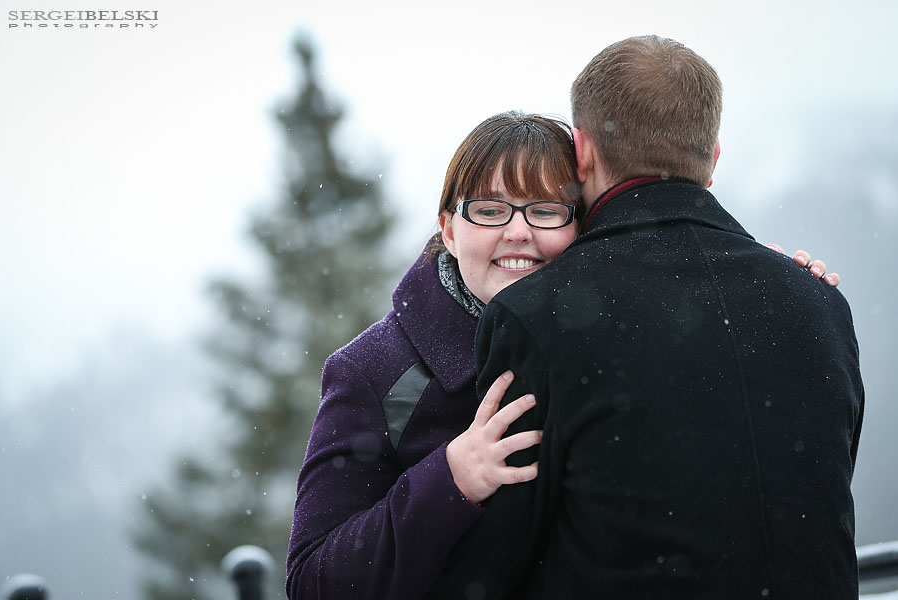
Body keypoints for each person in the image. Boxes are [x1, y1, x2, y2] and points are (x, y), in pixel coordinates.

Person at [286, 111, 838, 600]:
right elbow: (314, 582)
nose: (518, 233)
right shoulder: (374, 370)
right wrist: (450, 478)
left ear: (584, 224)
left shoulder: (623, 331)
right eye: (488, 210)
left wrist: (776, 287)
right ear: (448, 230)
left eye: (546, 210)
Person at [426, 36, 864, 600]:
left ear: (581, 152)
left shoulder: (537, 314)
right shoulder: (818, 302)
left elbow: (498, 555)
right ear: (712, 158)